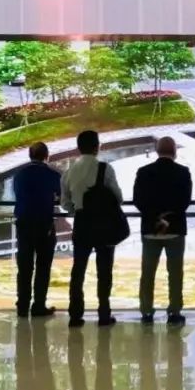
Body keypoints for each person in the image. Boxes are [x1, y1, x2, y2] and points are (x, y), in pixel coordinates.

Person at [61, 130, 121, 328]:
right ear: (97, 147)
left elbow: (65, 203)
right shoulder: (106, 169)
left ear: (78, 148)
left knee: (78, 269)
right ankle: (104, 314)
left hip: (82, 223)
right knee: (104, 270)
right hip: (104, 224)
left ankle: (75, 315)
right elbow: (118, 198)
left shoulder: (69, 172)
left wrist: (77, 210)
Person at [133, 136, 192, 326]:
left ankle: (146, 311)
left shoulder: (144, 172)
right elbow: (184, 202)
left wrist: (157, 218)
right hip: (175, 230)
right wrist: (166, 218)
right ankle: (174, 311)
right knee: (175, 273)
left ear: (157, 151)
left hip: (150, 229)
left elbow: (138, 200)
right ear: (175, 151)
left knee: (148, 272)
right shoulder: (183, 172)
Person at [12, 142, 61, 318]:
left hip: (24, 224)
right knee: (43, 266)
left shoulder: (19, 175)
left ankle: (22, 305)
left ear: (29, 155)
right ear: (47, 156)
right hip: (44, 225)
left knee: (24, 266)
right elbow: (61, 196)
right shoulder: (53, 174)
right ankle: (39, 305)